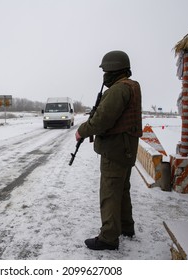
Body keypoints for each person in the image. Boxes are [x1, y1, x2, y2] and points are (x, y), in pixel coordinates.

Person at [75, 50, 142, 250]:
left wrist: (82, 131)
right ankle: (126, 227)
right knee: (122, 190)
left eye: (105, 70)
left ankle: (109, 237)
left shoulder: (117, 90)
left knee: (110, 193)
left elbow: (102, 120)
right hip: (126, 149)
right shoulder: (132, 86)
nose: (104, 74)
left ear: (113, 69)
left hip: (115, 150)